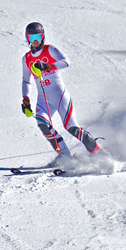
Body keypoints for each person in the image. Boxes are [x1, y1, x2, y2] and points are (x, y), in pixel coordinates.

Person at [21, 22, 101, 163]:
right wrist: (25, 100)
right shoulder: (26, 58)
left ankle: (98, 152)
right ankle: (64, 155)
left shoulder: (49, 49)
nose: (35, 40)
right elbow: (26, 81)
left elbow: (66, 62)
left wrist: (48, 66)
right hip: (43, 99)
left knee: (72, 128)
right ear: (27, 38)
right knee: (43, 125)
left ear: (43, 36)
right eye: (31, 36)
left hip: (59, 95)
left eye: (38, 36)